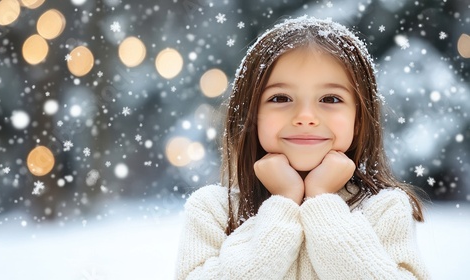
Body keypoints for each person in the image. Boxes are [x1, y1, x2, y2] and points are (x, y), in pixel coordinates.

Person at [176, 15, 430, 279]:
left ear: (359, 119)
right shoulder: (213, 211)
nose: (305, 116)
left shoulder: (385, 210)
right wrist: (283, 202)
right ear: (250, 115)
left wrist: (323, 203)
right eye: (281, 97)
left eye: (330, 98)